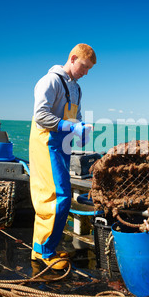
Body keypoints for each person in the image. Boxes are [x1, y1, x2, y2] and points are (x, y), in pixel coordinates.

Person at [29, 43, 96, 269]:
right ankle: (42, 252)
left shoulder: (76, 88)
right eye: (84, 67)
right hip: (46, 143)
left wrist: (80, 130)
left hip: (62, 146)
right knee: (56, 197)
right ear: (73, 58)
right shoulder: (49, 81)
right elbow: (40, 115)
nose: (85, 73)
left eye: (88, 70)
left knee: (61, 196)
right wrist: (69, 126)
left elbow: (73, 117)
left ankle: (49, 247)